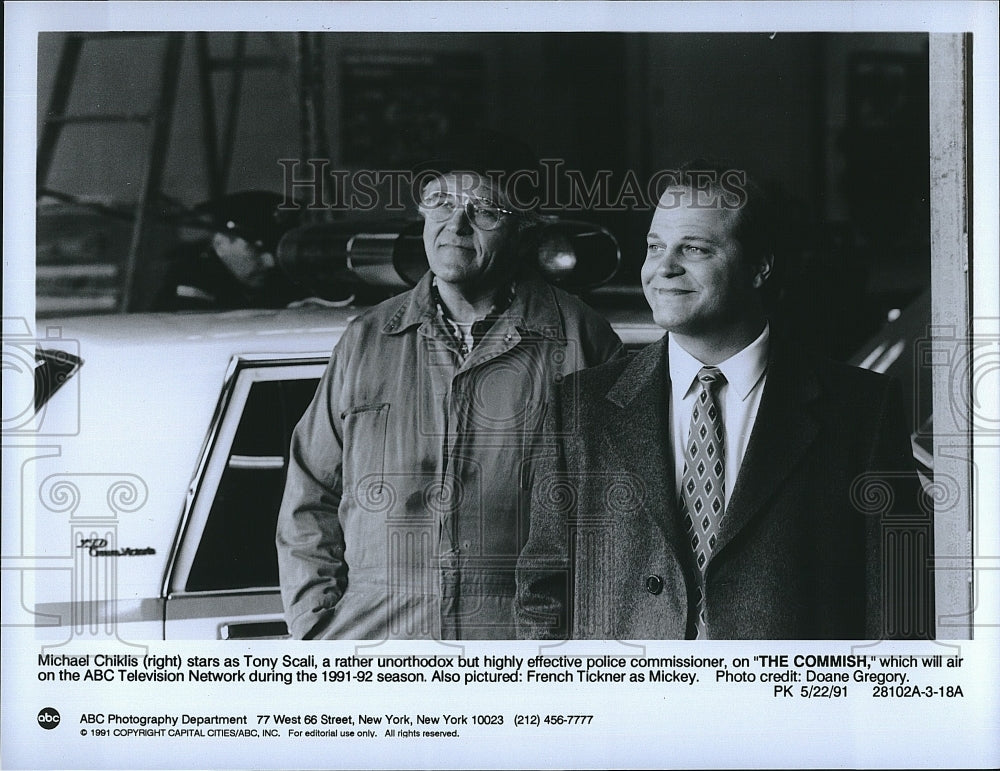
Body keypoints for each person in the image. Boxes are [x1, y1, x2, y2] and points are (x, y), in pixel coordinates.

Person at [515, 163, 934, 640]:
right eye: (654, 247)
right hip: (627, 706)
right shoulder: (580, 406)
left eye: (693, 248)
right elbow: (544, 593)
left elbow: (899, 607)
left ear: (760, 266)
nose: (663, 268)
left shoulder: (862, 410)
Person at [275, 132, 624, 640]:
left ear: (524, 227)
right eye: (439, 202)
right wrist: (317, 629)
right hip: (372, 644)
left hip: (518, 644)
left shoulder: (579, 337)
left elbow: (619, 512)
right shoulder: (368, 339)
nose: (454, 225)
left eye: (483, 210)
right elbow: (311, 494)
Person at [154, 190, 302, 310]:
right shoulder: (192, 278)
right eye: (256, 249)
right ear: (221, 243)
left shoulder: (276, 280)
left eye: (276, 251)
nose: (270, 263)